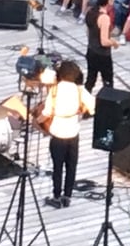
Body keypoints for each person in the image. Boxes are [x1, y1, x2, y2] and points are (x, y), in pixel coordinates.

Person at [40, 61, 94, 207]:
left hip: (58, 134)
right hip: (73, 133)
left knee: (57, 167)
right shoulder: (79, 90)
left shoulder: (55, 90)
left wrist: (36, 120)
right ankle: (67, 196)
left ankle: (56, 196)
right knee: (72, 166)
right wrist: (81, 110)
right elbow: (93, 107)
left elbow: (46, 112)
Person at [84, 0, 117, 89]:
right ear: (109, 1)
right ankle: (105, 104)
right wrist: (114, 43)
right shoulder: (104, 18)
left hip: (91, 50)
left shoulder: (90, 12)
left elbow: (87, 31)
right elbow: (104, 41)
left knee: (90, 79)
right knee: (108, 82)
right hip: (102, 55)